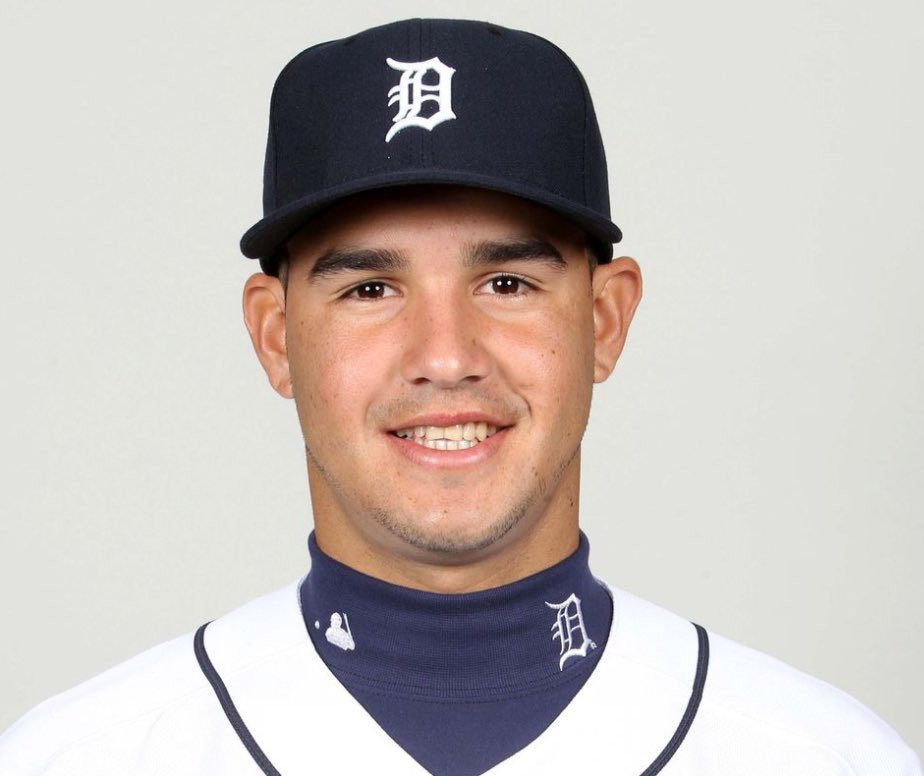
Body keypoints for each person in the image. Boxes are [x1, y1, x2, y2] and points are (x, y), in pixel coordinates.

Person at [0, 17, 919, 776]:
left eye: (507, 284)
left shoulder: (826, 759)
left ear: (605, 319)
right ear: (275, 338)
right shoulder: (79, 759)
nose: (445, 358)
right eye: (371, 289)